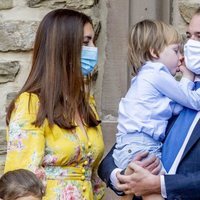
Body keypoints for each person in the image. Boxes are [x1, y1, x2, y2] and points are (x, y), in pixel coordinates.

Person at [98, 7, 200, 200]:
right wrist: (119, 176)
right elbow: (111, 159)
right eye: (189, 36)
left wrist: (160, 185)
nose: (190, 45)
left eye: (199, 36)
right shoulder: (168, 86)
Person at [4, 9, 105, 200]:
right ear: (62, 48)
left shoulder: (86, 104)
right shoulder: (31, 104)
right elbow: (21, 181)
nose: (93, 48)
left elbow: (92, 175)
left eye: (93, 41)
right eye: (85, 42)